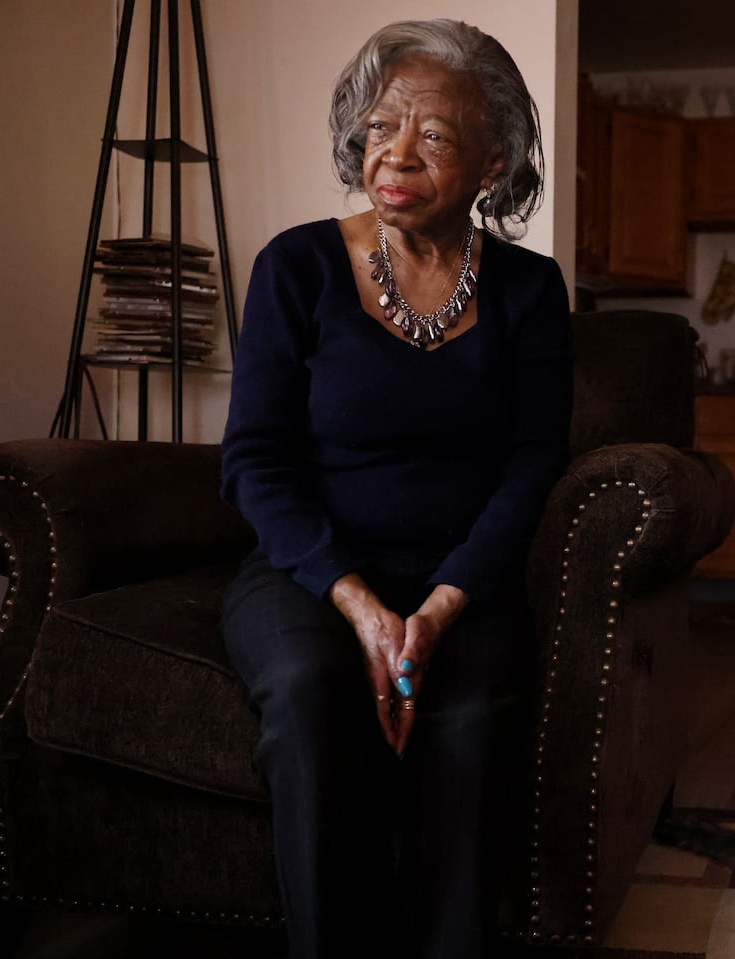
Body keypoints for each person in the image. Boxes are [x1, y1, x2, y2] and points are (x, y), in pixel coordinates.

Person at [218, 19, 572, 959]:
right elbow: (253, 458)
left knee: (466, 726)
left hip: (465, 575)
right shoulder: (295, 267)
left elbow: (534, 461)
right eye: (381, 129)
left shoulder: (531, 291)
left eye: (435, 137)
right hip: (309, 572)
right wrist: (362, 605)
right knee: (305, 689)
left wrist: (444, 604)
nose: (396, 155)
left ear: (492, 162)